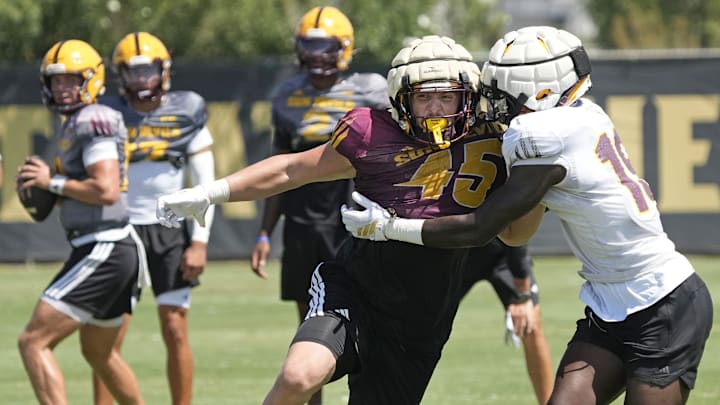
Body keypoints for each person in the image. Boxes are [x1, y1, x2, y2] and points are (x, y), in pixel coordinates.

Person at [340, 26, 714, 405]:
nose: (495, 102)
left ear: (541, 89)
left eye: (502, 91)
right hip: (610, 304)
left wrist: (390, 228)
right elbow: (517, 235)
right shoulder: (584, 113)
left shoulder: (540, 132)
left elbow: (479, 229)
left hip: (664, 304)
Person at [156, 35, 537, 404]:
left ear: (467, 97)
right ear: (402, 98)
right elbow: (291, 169)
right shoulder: (370, 133)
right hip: (356, 288)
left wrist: (535, 183)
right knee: (299, 375)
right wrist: (210, 192)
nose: (436, 108)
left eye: (447, 96)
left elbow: (516, 236)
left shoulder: (494, 140)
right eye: (424, 97)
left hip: (422, 317)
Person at [250, 7, 388, 404]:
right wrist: (264, 231)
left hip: (356, 222)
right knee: (310, 332)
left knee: (372, 326)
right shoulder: (287, 95)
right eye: (310, 46)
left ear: (345, 48)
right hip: (303, 225)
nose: (317, 56)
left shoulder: (370, 89)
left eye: (326, 47)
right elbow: (278, 169)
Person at [16, 39, 144, 405]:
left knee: (33, 341)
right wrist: (47, 191)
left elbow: (104, 189)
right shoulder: (74, 124)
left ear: (92, 79)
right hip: (109, 246)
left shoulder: (93, 119)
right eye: (55, 81)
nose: (62, 88)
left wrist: (50, 182)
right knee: (99, 352)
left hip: (105, 245)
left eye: (71, 80)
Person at [92, 32, 216, 405]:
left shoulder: (187, 110)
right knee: (107, 337)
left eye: (148, 70)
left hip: (169, 230)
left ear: (164, 71)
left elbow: (205, 183)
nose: (142, 79)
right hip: (120, 229)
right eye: (133, 71)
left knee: (175, 328)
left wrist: (199, 241)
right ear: (120, 75)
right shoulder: (106, 114)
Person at [459, 241, 553, 404]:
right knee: (423, 330)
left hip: (505, 253)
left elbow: (516, 223)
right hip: (455, 251)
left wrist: (523, 292)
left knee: (530, 326)